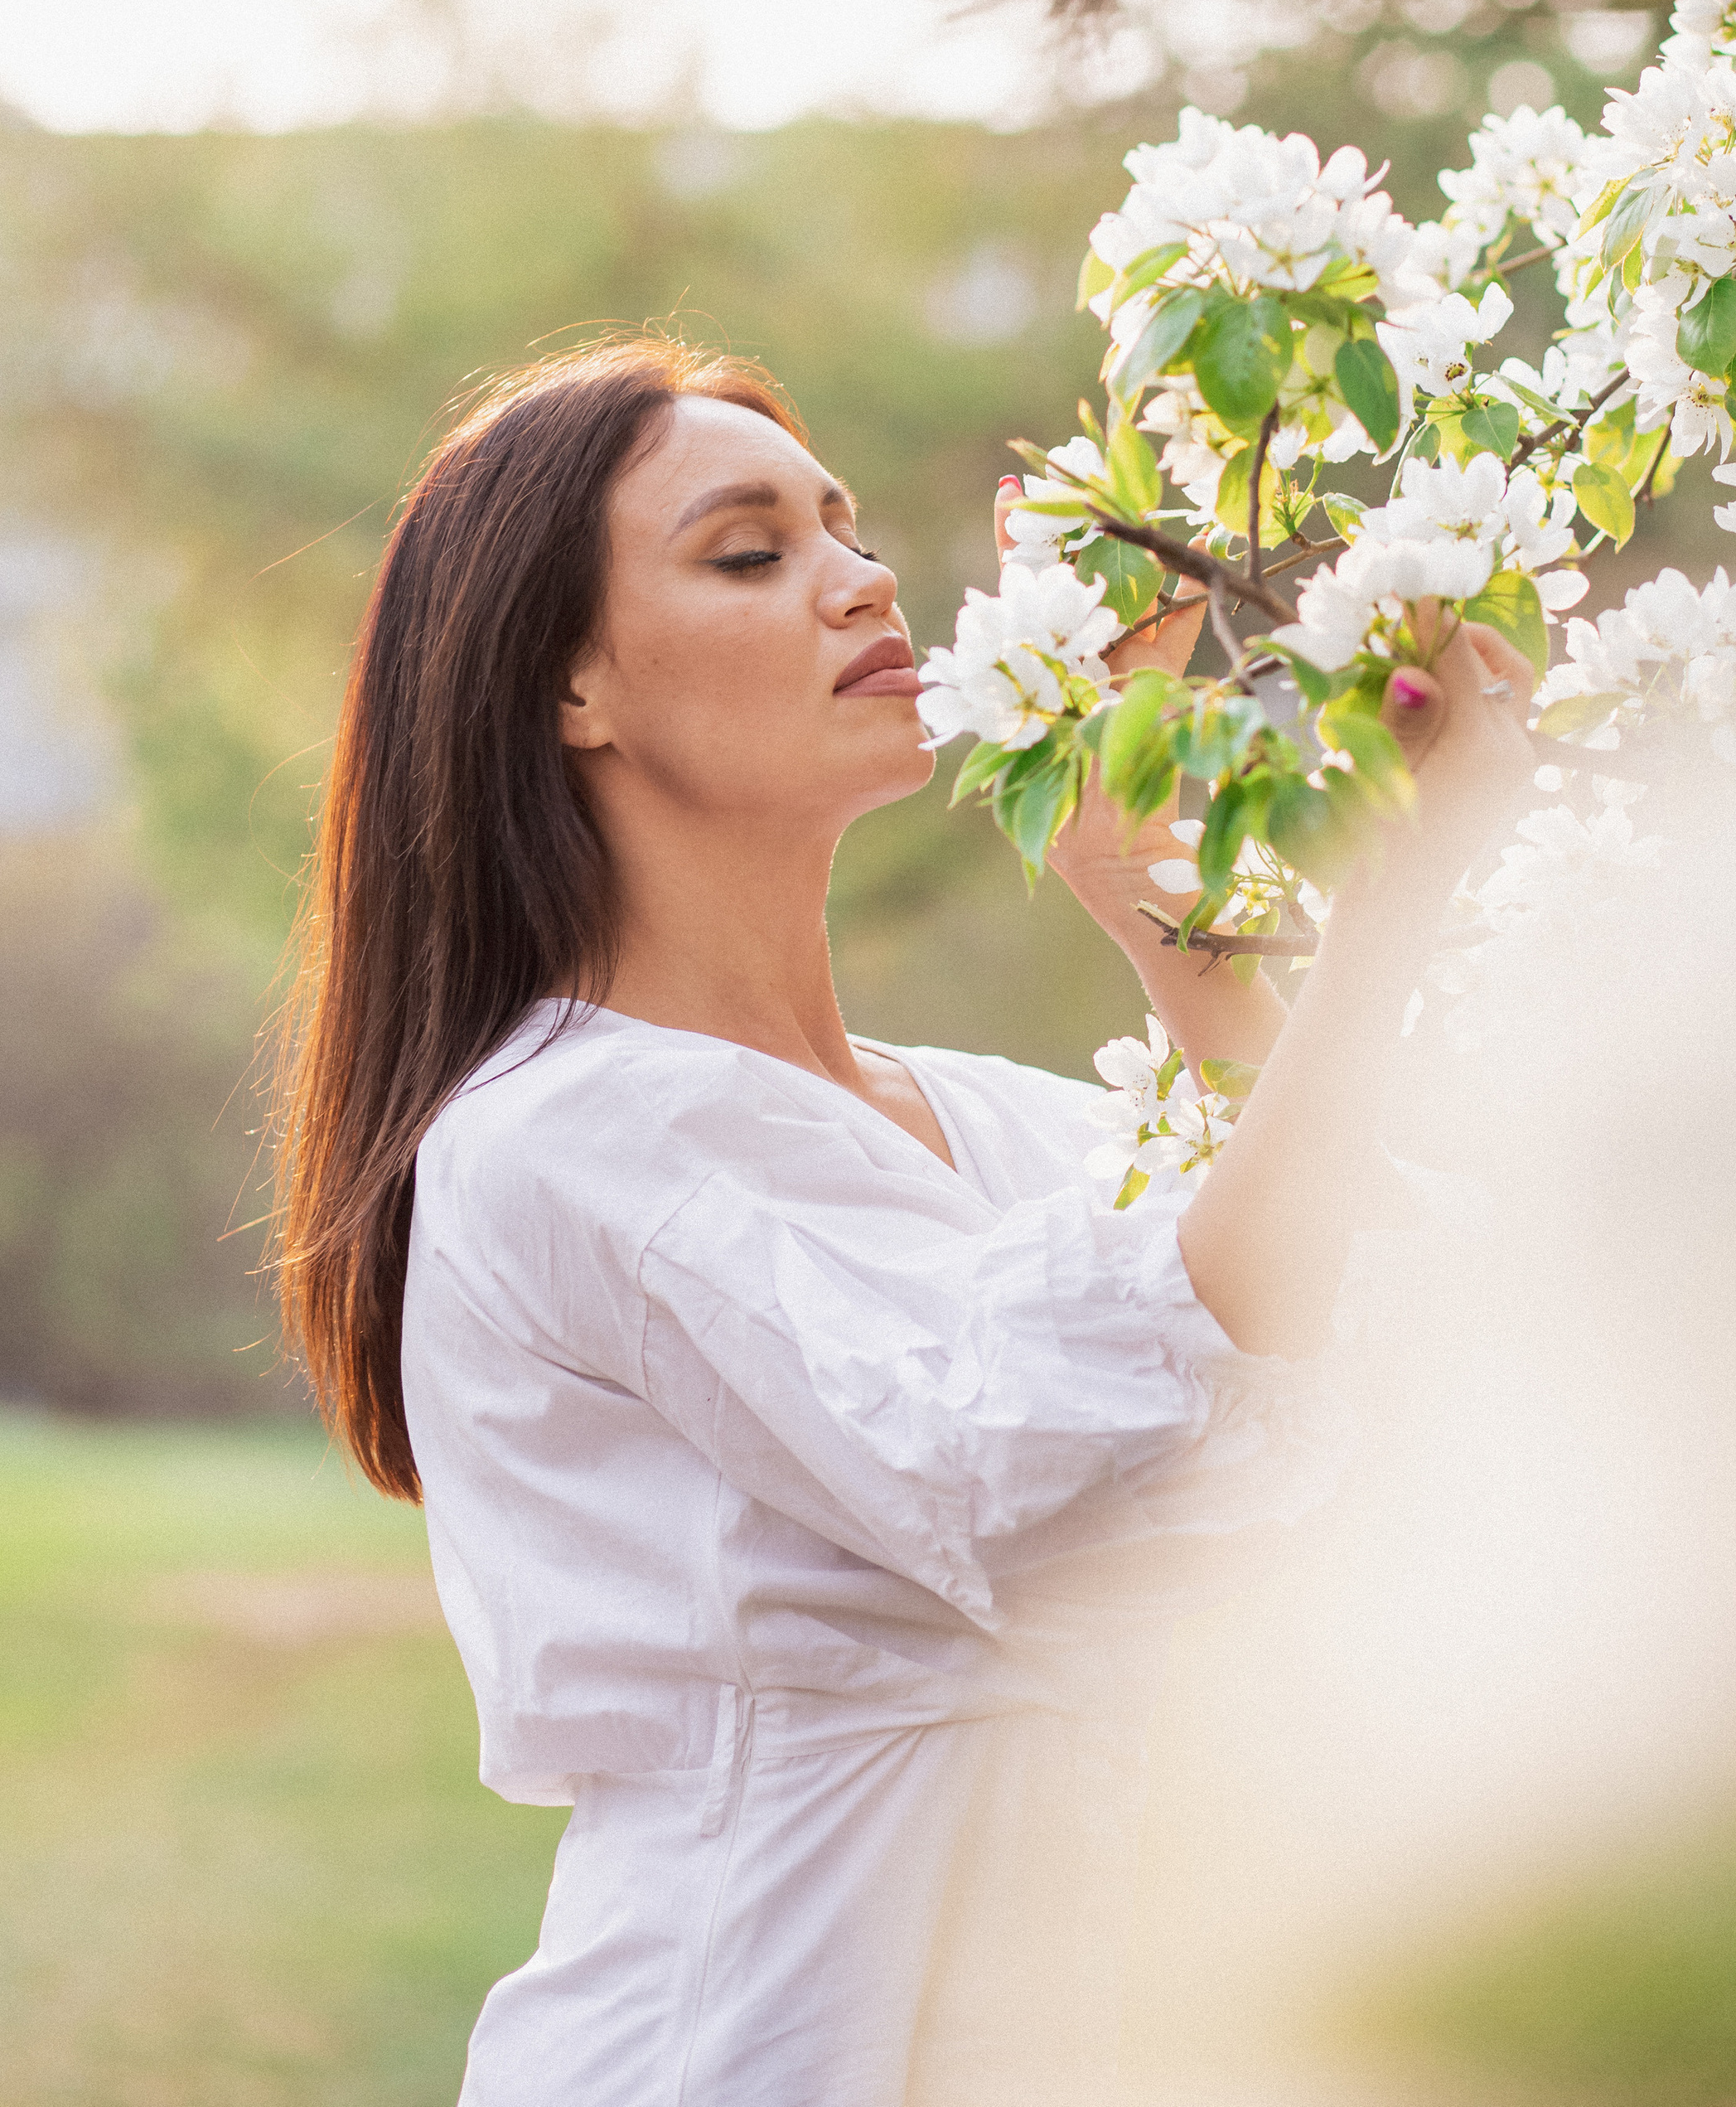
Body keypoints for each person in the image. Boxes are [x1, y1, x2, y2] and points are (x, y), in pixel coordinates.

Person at [269, 336, 1533, 2106]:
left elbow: (1377, 1313)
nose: (861, 581)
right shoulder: (557, 1137)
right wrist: (1391, 906)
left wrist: (1139, 884)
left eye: (847, 531)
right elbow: (1015, 1454)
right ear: (570, 686)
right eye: (750, 552)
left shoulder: (983, 1121)